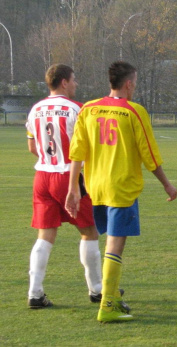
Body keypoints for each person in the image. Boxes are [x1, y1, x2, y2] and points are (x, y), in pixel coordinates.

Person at [65, 61, 177, 322]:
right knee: (115, 245)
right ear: (128, 83)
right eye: (135, 82)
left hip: (96, 187)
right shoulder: (134, 111)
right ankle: (107, 305)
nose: (135, 86)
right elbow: (149, 154)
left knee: (109, 242)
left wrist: (73, 189)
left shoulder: (89, 109)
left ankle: (113, 297)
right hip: (121, 187)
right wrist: (166, 184)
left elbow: (77, 152)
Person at [24, 64, 103, 309]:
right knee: (89, 230)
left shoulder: (35, 109)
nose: (76, 83)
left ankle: (35, 294)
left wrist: (51, 158)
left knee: (45, 235)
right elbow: (90, 147)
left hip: (43, 176)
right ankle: (97, 290)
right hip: (70, 176)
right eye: (74, 79)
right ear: (64, 82)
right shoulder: (77, 109)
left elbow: (32, 147)